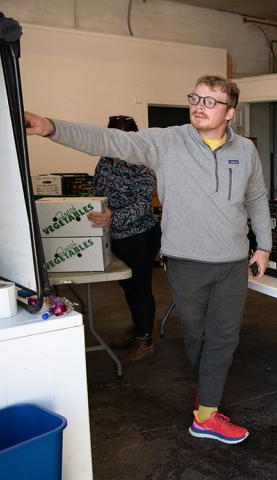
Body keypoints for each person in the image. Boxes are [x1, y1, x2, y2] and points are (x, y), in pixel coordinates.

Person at [24, 75, 271, 445]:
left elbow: (256, 199)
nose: (199, 107)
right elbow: (109, 139)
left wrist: (263, 246)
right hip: (187, 261)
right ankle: (209, 393)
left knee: (224, 337)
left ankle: (206, 413)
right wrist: (51, 127)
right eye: (195, 98)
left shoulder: (246, 151)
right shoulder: (167, 142)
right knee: (198, 337)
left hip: (233, 260)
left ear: (230, 112)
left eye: (210, 102)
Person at [87, 115, 161, 365]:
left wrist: (113, 218)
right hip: (115, 235)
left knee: (140, 287)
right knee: (126, 286)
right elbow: (96, 188)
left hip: (140, 236)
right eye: (111, 137)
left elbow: (144, 204)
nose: (114, 143)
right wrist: (91, 206)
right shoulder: (106, 160)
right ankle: (137, 327)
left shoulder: (142, 163)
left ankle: (145, 340)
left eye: (120, 138)